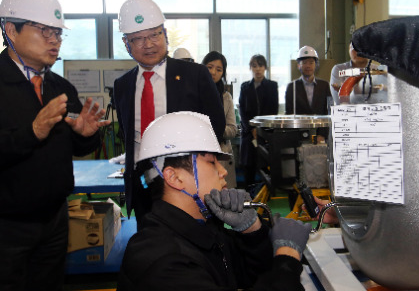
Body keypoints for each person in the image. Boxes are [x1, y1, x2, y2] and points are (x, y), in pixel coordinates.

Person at [117, 111, 312, 291]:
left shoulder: (204, 228)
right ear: (174, 178)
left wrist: (251, 232)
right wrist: (287, 259)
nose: (223, 171)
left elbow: (252, 277)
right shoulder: (161, 261)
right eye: (212, 162)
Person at [0, 0, 109, 290]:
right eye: (45, 30)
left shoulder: (61, 88)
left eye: (58, 33)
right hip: (8, 226)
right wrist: (31, 133)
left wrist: (87, 136)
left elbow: (76, 146)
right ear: (11, 29)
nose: (54, 40)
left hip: (56, 220)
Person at [113, 0, 225, 227]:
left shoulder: (195, 75)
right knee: (152, 249)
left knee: (199, 251)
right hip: (143, 185)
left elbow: (216, 127)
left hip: (190, 185)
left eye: (155, 34)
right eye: (139, 39)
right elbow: (127, 134)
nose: (149, 43)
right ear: (127, 44)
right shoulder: (122, 85)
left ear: (165, 34)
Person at [239, 54, 279, 187]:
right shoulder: (245, 87)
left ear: (265, 68)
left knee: (264, 169)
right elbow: (242, 112)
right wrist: (251, 129)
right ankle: (248, 198)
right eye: (254, 66)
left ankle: (264, 201)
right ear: (250, 68)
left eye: (260, 66)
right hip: (248, 135)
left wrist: (260, 129)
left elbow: (273, 111)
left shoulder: (272, 86)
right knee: (248, 169)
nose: (258, 69)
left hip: (265, 133)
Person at [202, 51, 237, 189]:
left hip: (221, 153)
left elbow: (233, 129)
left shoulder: (226, 97)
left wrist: (214, 128)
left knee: (225, 199)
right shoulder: (194, 93)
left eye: (219, 69)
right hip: (200, 154)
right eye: (209, 67)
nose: (213, 72)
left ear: (223, 73)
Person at [285, 45, 331, 141]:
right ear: (298, 65)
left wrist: (322, 135)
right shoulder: (291, 87)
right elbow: (289, 114)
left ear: (316, 65)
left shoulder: (324, 85)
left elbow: (328, 112)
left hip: (320, 136)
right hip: (299, 136)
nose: (308, 66)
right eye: (304, 62)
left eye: (311, 62)